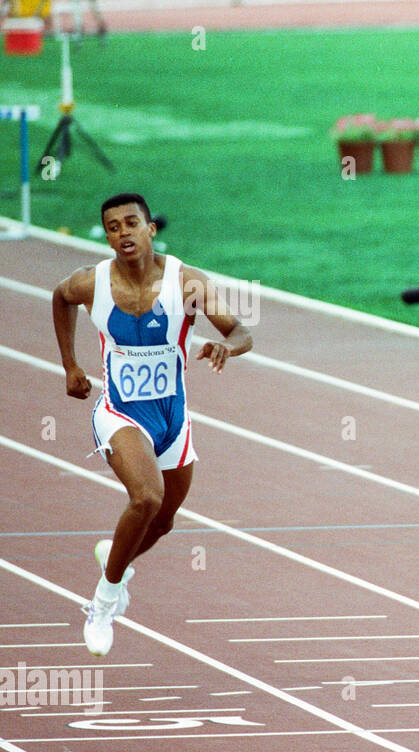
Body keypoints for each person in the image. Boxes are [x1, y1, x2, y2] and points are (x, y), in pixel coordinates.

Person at [52, 193, 252, 656]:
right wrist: (70, 366)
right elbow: (60, 298)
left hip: (172, 419)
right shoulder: (91, 283)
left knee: (161, 522)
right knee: (145, 497)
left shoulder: (187, 282)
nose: (123, 233)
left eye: (131, 223)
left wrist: (228, 348)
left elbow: (242, 332)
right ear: (107, 236)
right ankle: (102, 604)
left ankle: (114, 564)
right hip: (120, 413)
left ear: (150, 228)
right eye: (113, 227)